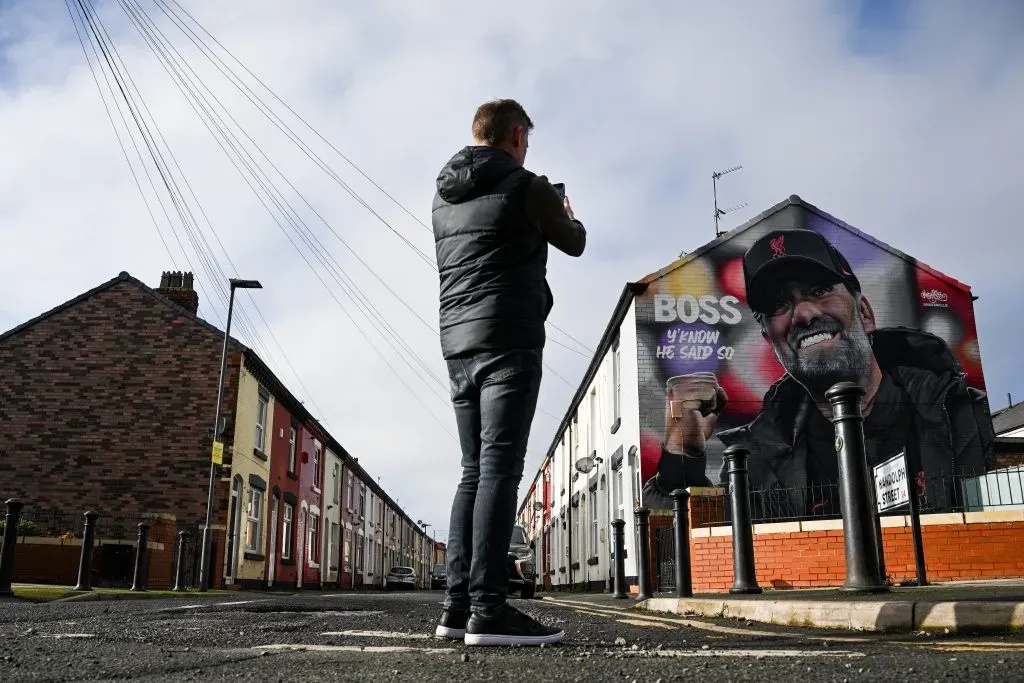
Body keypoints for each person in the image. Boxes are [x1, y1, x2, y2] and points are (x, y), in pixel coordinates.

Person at [647, 228, 994, 517]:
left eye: (819, 291)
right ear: (772, 342)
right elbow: (693, 558)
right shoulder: (755, 460)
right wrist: (682, 457)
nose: (804, 314)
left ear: (865, 313)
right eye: (780, 305)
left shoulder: (960, 414)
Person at [431, 99, 586, 647]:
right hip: (509, 341)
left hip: (457, 345)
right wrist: (566, 209)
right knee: (499, 469)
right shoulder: (528, 186)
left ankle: (456, 607)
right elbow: (575, 242)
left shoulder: (443, 195)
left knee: (472, 471)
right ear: (517, 135)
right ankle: (490, 610)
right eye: (527, 139)